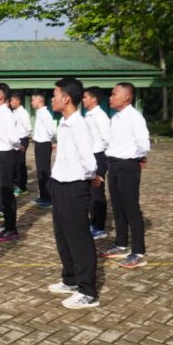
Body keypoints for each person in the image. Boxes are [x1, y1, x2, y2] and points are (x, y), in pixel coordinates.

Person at [46, 77, 99, 309]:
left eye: (55, 94)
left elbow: (88, 160)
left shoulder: (79, 125)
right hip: (60, 184)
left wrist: (90, 177)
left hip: (75, 186)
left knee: (79, 238)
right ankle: (70, 279)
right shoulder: (64, 123)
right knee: (62, 235)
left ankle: (87, 290)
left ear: (66, 98)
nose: (53, 99)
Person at [98, 83, 150, 269]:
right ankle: (121, 244)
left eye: (114, 94)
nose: (110, 97)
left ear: (127, 97)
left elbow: (143, 144)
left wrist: (134, 158)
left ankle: (138, 251)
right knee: (118, 206)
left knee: (131, 208)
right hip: (113, 164)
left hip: (127, 165)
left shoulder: (134, 117)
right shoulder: (117, 117)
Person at [0, 83, 22, 242]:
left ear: (0, 96)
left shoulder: (6, 114)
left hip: (5, 155)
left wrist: (14, 149)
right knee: (2, 191)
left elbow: (14, 138)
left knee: (7, 192)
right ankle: (7, 224)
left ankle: (11, 228)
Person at [83, 87, 111, 239]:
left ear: (94, 99)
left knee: (97, 192)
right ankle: (93, 222)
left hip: (99, 155)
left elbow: (107, 138)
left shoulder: (100, 116)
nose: (83, 99)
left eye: (86, 97)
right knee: (90, 193)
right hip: (90, 155)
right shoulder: (89, 115)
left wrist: (103, 157)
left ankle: (99, 227)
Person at [31, 91, 55, 209]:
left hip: (44, 144)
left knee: (45, 171)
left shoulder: (45, 114)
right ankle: (43, 196)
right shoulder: (39, 113)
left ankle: (48, 198)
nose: (31, 102)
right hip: (39, 144)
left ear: (40, 100)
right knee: (40, 172)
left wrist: (49, 141)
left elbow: (51, 130)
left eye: (33, 100)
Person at [10, 93, 32, 197]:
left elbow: (28, 127)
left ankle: (22, 186)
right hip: (15, 140)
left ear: (18, 101)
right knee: (15, 163)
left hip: (22, 139)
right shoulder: (13, 112)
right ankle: (16, 183)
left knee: (20, 163)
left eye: (12, 101)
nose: (11, 103)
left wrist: (24, 138)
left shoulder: (23, 113)